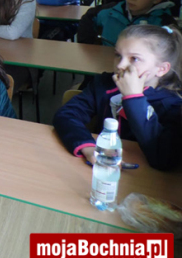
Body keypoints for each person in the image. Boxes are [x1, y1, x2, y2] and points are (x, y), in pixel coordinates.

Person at [53, 25, 182, 171]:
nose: (121, 65)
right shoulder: (104, 84)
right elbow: (67, 114)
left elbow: (164, 159)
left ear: (162, 69)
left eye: (134, 58)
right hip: (100, 169)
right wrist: (88, 147)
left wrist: (133, 98)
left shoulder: (173, 105)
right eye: (118, 55)